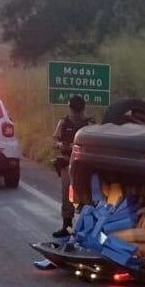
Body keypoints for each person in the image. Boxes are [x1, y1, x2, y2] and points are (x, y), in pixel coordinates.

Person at [52, 95, 93, 238]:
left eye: (77, 111)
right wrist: (62, 145)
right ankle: (67, 226)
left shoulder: (89, 125)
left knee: (86, 196)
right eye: (74, 111)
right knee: (67, 195)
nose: (75, 114)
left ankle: (87, 227)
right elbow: (54, 142)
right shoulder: (63, 123)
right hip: (66, 162)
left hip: (83, 165)